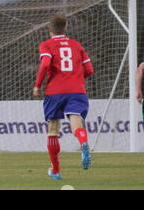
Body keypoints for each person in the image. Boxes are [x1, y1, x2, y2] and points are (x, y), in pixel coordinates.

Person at [33, 12, 94, 180]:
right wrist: (75, 78)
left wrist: (38, 85)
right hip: (77, 90)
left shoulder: (46, 45)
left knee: (53, 130)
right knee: (76, 123)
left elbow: (45, 63)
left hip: (55, 91)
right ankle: (83, 142)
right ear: (65, 28)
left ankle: (56, 170)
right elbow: (89, 70)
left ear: (49, 29)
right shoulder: (76, 45)